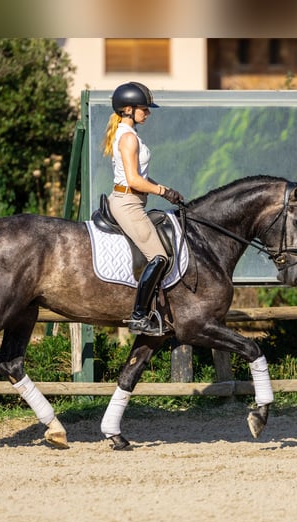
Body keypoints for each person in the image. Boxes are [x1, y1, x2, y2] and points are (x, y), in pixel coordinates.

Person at [101, 81, 184, 336]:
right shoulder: (128, 138)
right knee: (159, 256)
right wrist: (163, 192)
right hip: (128, 203)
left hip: (133, 199)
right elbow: (134, 180)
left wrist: (166, 188)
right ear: (128, 109)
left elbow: (141, 177)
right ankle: (138, 317)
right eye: (144, 109)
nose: (147, 113)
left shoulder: (130, 135)